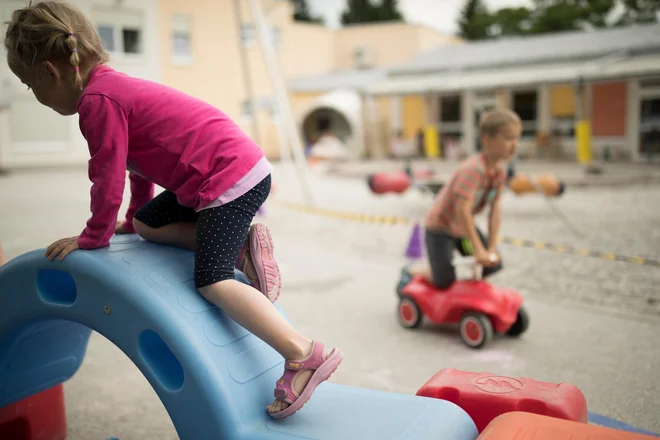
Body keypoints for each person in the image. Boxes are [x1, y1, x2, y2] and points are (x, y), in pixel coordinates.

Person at [4, 1, 341, 419]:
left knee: (212, 281)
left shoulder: (98, 102)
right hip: (229, 169)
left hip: (226, 177)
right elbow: (134, 166)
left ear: (51, 73)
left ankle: (303, 353)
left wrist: (94, 236)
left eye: (33, 89)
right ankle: (241, 246)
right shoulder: (112, 87)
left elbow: (106, 176)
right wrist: (130, 222)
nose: (38, 99)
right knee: (147, 224)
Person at [422, 108, 521, 289]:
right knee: (443, 281)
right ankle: (420, 271)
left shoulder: (499, 172)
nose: (514, 144)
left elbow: (495, 210)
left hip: (461, 230)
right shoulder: (473, 169)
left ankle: (469, 297)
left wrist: (490, 249)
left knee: (491, 264)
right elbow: (462, 210)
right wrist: (478, 249)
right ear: (487, 140)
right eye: (508, 138)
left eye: (516, 138)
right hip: (441, 229)